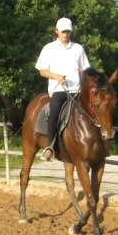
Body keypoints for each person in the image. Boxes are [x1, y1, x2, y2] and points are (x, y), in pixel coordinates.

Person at [35, 17, 90, 162]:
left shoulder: (78, 48)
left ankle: (101, 141)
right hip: (58, 90)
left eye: (68, 31)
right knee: (54, 114)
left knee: (94, 110)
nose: (66, 34)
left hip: (77, 90)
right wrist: (56, 76)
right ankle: (49, 147)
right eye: (63, 31)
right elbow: (42, 71)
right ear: (57, 31)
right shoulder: (49, 48)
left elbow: (84, 70)